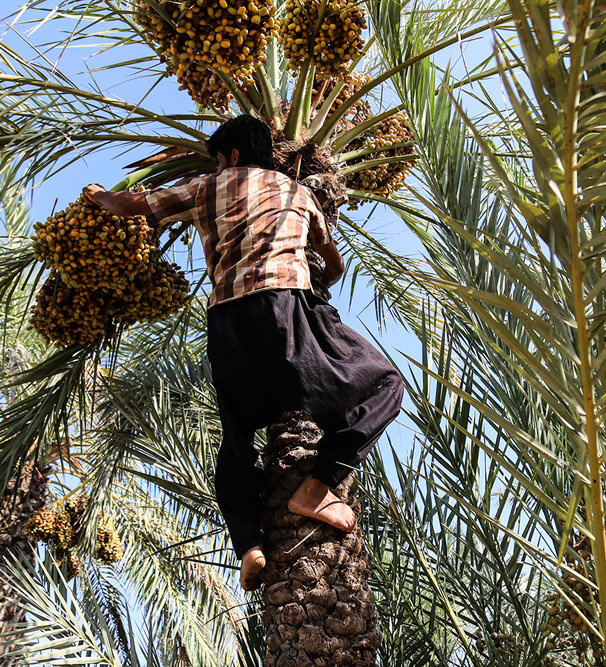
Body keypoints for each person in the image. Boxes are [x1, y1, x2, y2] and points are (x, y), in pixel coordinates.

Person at [83, 114, 404, 591]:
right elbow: (332, 259)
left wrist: (100, 196)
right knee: (383, 384)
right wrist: (319, 276)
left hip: (227, 321)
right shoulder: (300, 194)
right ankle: (317, 488)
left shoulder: (207, 187)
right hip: (284, 308)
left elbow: (138, 205)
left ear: (231, 155)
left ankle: (249, 543)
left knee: (236, 434)